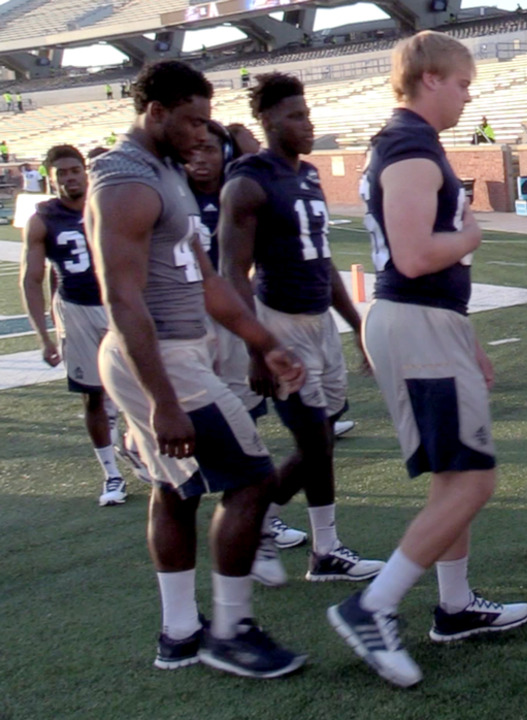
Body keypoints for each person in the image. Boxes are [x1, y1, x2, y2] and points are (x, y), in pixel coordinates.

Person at [329, 30, 527, 688]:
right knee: (473, 481)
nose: (469, 96)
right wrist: (470, 233)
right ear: (431, 80)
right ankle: (373, 605)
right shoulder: (412, 147)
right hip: (415, 322)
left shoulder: (404, 143)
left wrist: (464, 332)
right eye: (464, 83)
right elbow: (416, 256)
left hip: (426, 322)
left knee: (455, 477)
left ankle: (454, 606)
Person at [89, 60, 306, 677]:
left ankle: (181, 631)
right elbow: (122, 298)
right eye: (189, 122)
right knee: (252, 479)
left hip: (174, 353)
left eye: (206, 124)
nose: (200, 136)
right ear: (155, 113)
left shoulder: (163, 170)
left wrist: (261, 340)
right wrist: (163, 399)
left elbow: (205, 278)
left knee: (177, 489)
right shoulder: (126, 183)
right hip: (159, 357)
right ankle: (231, 632)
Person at [220, 72, 383, 586]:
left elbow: (323, 260)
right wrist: (255, 348)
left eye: (307, 113)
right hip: (280, 325)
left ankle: (324, 550)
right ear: (266, 121)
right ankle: (265, 527)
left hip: (319, 323)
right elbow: (231, 271)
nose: (306, 124)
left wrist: (356, 324)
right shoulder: (248, 182)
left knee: (324, 439)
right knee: (313, 441)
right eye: (294, 115)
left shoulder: (309, 175)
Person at [187, 122, 309, 552]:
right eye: (194, 149)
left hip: (230, 320)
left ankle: (253, 521)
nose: (199, 158)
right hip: (181, 327)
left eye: (209, 149)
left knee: (246, 418)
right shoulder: (170, 195)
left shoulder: (239, 190)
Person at [20, 145, 126, 506]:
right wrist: (43, 336)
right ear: (51, 180)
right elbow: (30, 279)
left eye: (73, 170)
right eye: (61, 174)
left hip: (118, 304)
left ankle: (135, 446)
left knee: (142, 384)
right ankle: (111, 474)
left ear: (85, 171)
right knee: (92, 394)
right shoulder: (43, 218)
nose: (69, 178)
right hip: (77, 308)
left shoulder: (108, 204)